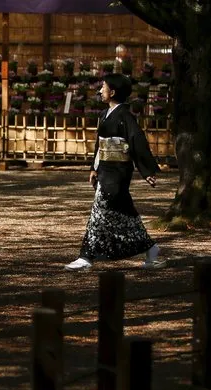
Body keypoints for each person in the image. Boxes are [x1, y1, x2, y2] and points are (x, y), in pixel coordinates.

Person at [65, 73, 165, 271]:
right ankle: (151, 249)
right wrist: (94, 168)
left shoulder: (125, 116)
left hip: (118, 172)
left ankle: (86, 257)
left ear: (113, 91)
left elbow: (137, 142)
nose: (100, 90)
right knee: (125, 213)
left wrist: (147, 171)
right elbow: (99, 145)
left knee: (99, 209)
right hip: (105, 170)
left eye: (103, 87)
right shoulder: (104, 115)